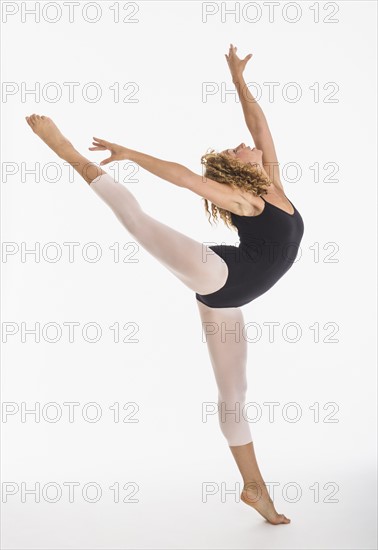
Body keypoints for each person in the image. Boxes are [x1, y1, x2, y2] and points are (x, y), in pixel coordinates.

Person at [25, 44, 303, 524]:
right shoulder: (244, 197)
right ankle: (67, 152)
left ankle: (255, 489)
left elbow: (260, 125)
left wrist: (237, 78)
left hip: (229, 302)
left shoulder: (272, 184)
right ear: (237, 168)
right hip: (221, 274)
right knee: (138, 221)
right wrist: (130, 153)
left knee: (234, 392)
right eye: (235, 148)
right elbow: (185, 179)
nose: (244, 142)